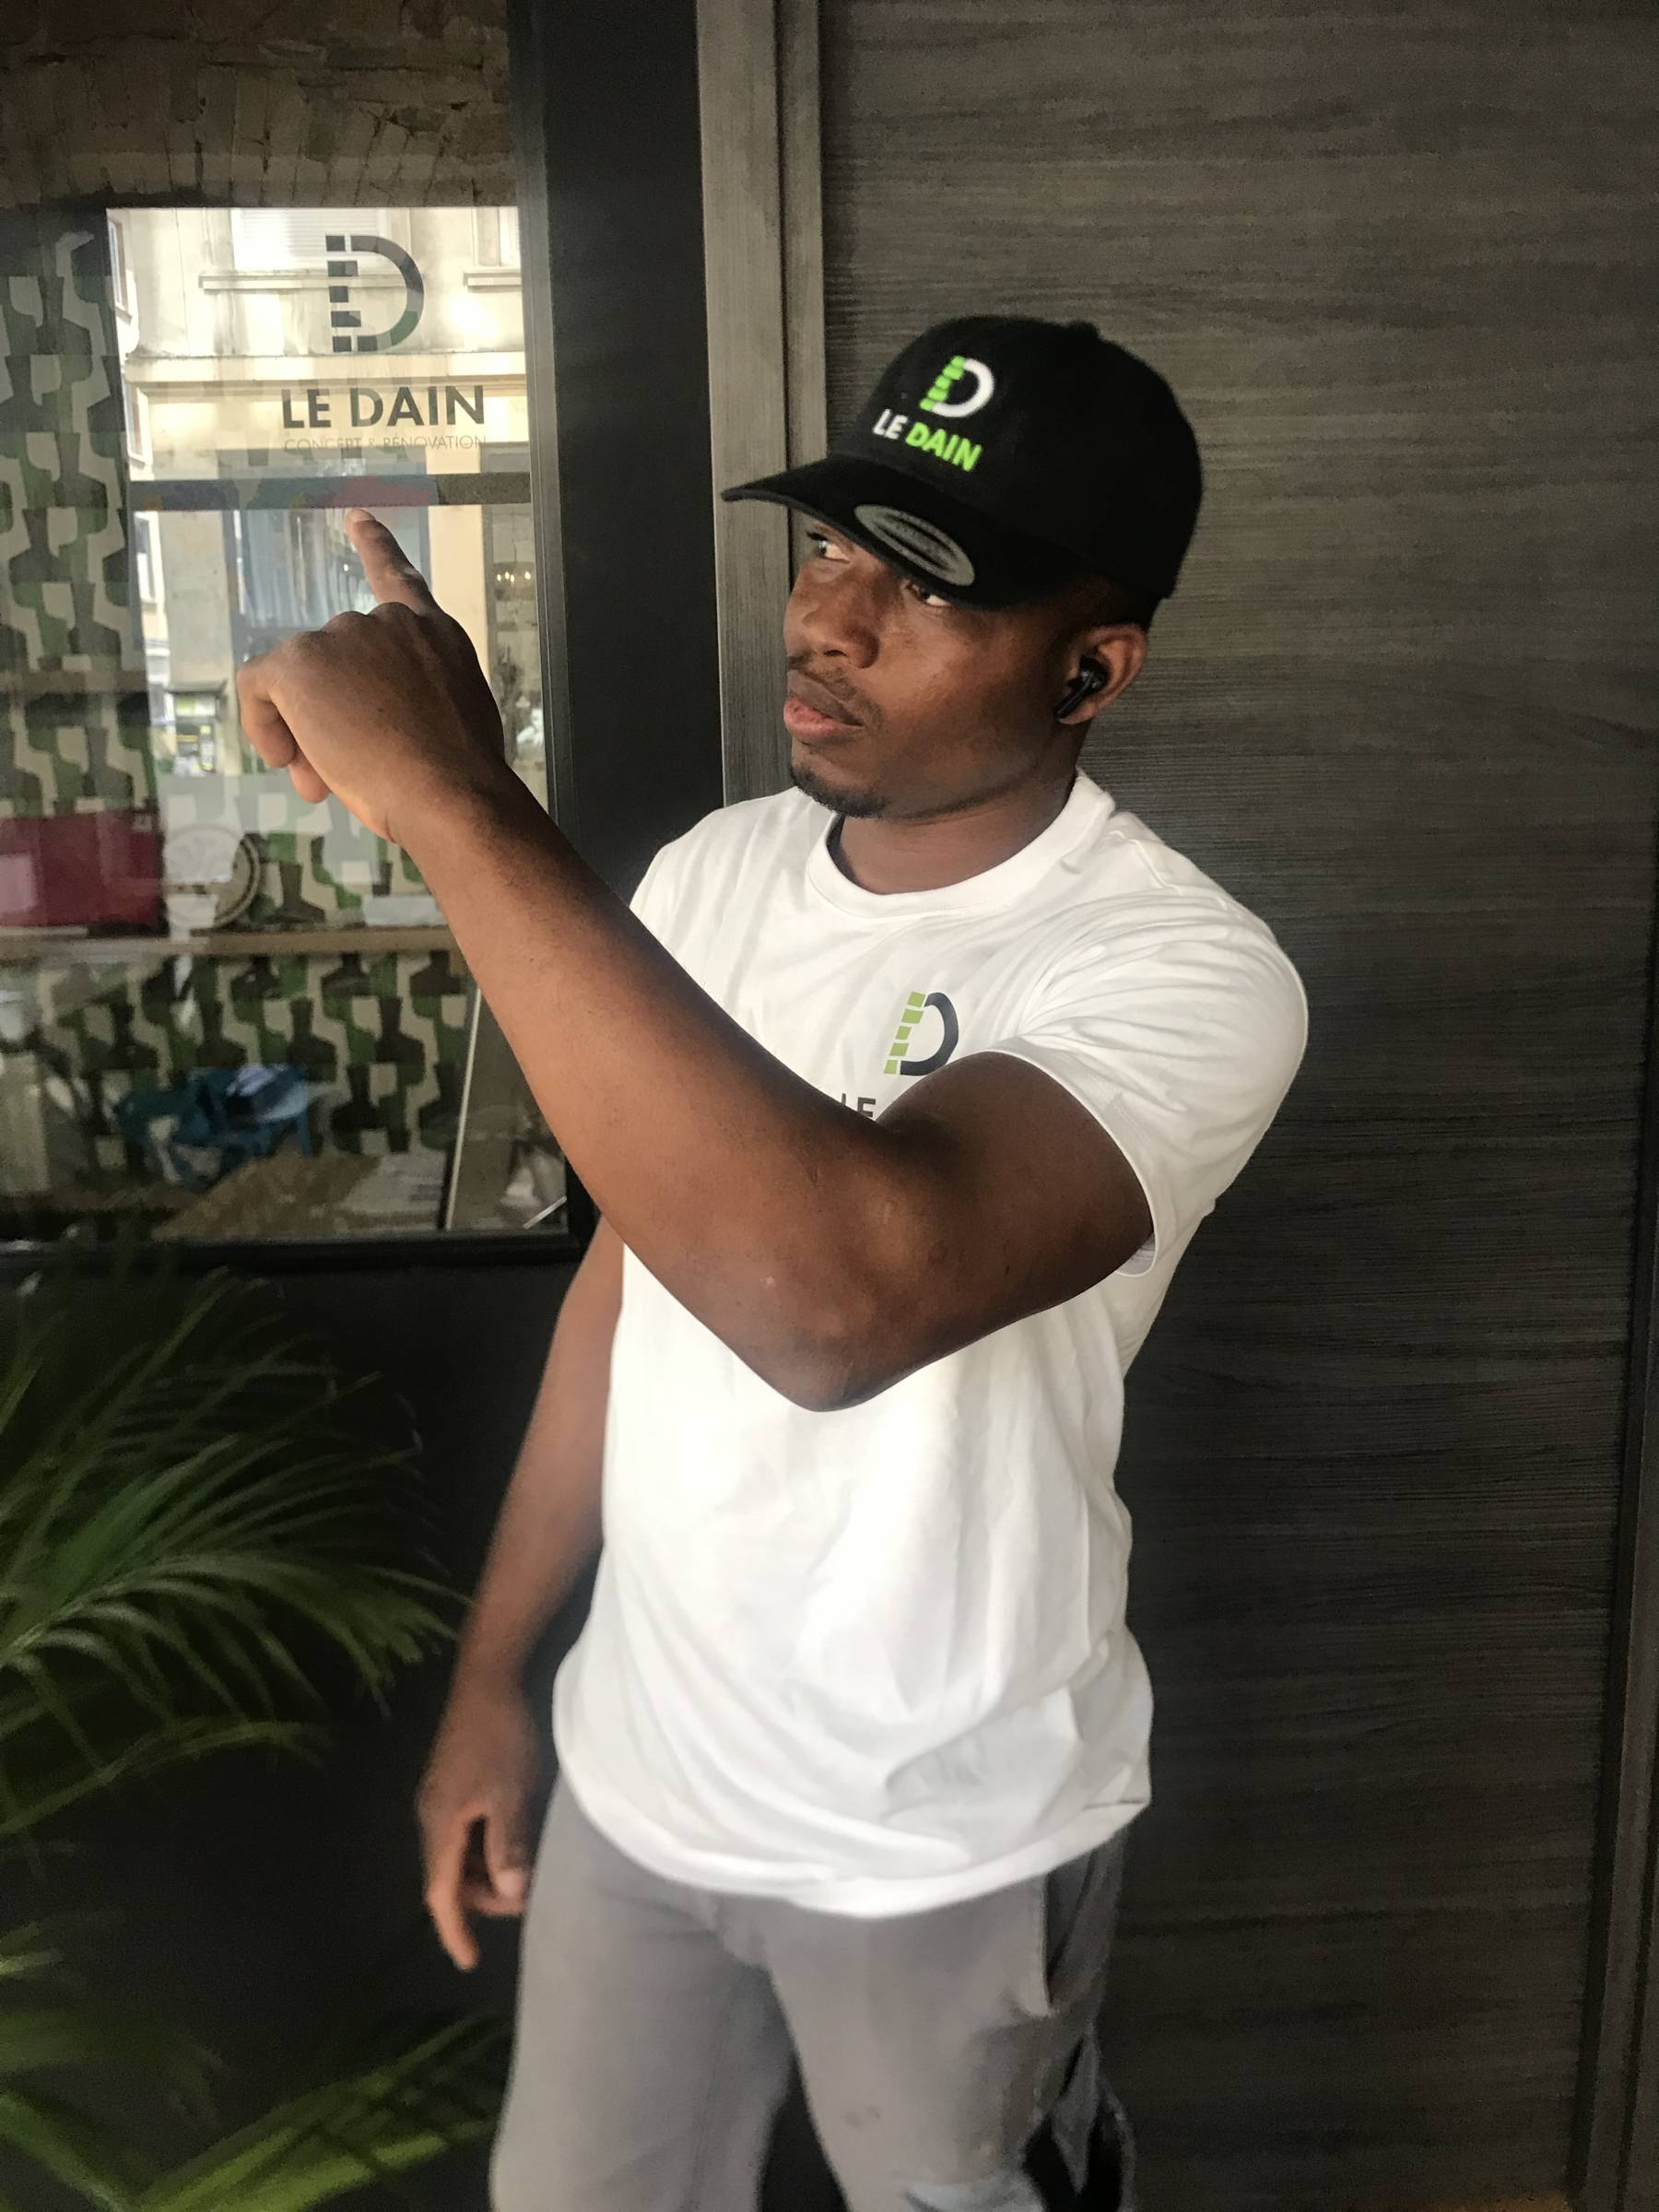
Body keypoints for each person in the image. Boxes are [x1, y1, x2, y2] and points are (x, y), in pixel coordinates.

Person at [237, 314, 1310, 2212]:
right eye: (827, 547)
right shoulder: (709, 877)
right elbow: (631, 1286)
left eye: (928, 583)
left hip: (946, 1839)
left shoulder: (1185, 972)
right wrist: (496, 1673)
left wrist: (456, 797)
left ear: (1092, 666)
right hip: (643, 1781)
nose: (827, 619)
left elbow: (831, 1302)